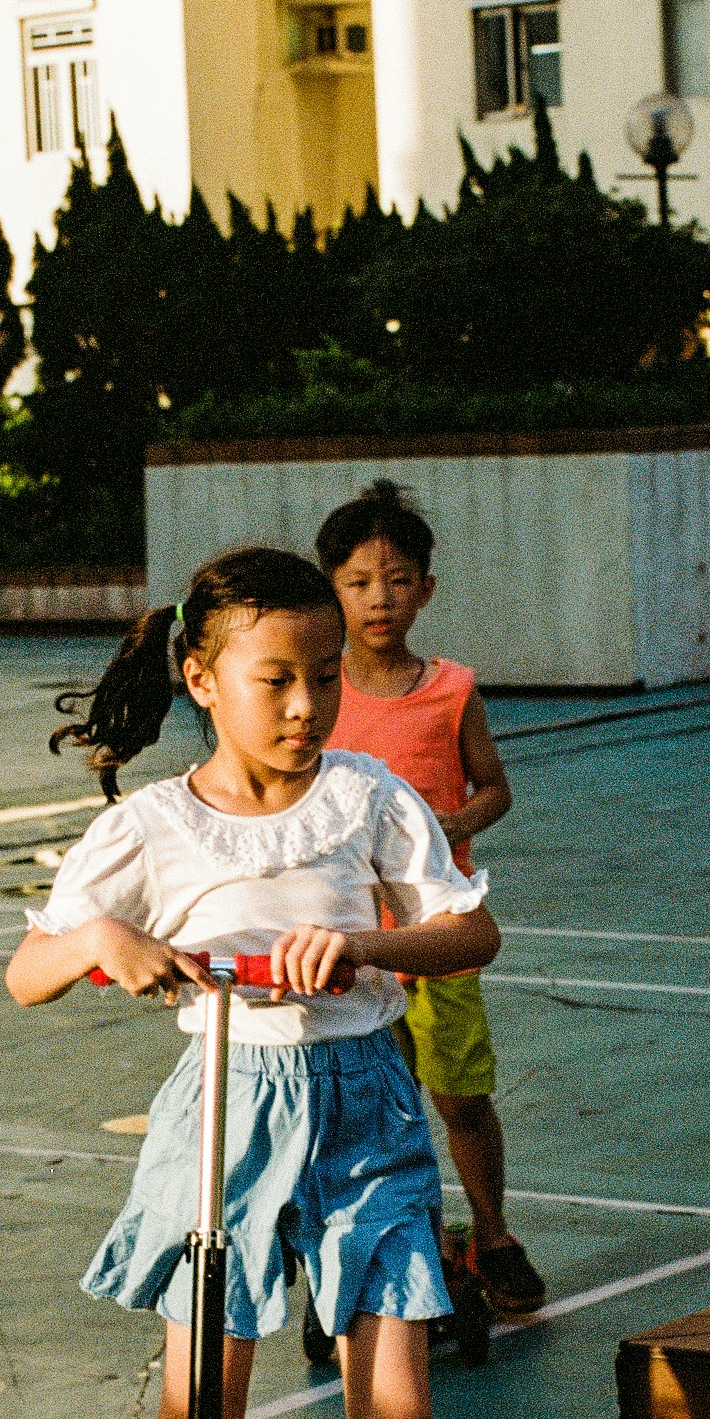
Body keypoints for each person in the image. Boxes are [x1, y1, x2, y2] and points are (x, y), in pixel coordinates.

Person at [9, 546, 508, 1419]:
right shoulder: (149, 825)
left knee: (398, 1415)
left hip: (368, 1110)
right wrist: (105, 940)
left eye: (325, 677)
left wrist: (363, 942)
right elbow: (28, 970)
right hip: (225, 1113)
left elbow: (472, 929)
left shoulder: (370, 797)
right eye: (276, 679)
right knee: (200, 1417)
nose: (306, 706)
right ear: (201, 677)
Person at [314, 482, 543, 1315]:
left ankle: (492, 1234)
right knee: (375, 1106)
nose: (381, 597)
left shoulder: (451, 688)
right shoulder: (320, 693)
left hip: (439, 933)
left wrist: (453, 823)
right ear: (331, 588)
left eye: (399, 578)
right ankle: (403, 1243)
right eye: (360, 580)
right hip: (350, 942)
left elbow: (496, 789)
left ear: (427, 589)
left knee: (460, 1095)